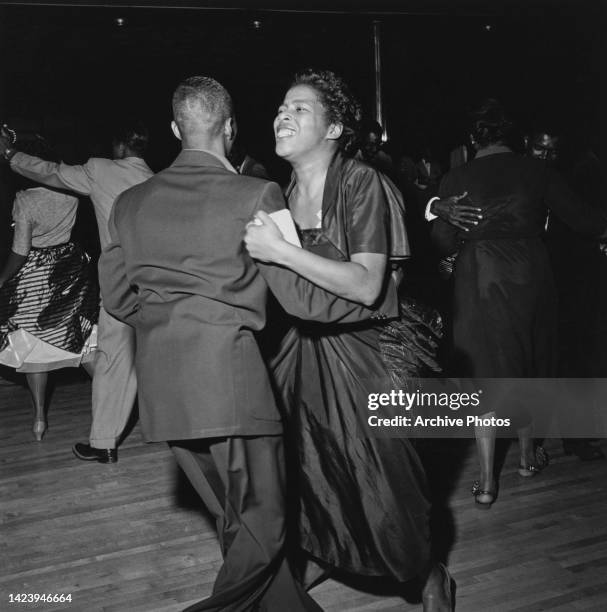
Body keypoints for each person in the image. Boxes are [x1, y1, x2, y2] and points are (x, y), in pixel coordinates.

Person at [97, 76, 321, 612]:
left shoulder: (129, 202)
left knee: (234, 521)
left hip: (164, 386)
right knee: (264, 524)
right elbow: (297, 296)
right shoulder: (257, 193)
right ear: (232, 127)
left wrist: (164, 324)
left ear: (176, 129)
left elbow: (115, 297)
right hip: (231, 381)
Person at [244, 69, 453, 611]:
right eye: (281, 106)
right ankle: (326, 551)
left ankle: (426, 573)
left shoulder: (362, 183)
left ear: (334, 128)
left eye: (300, 108)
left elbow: (366, 284)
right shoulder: (282, 192)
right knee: (316, 467)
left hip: (373, 349)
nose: (282, 115)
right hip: (305, 349)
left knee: (390, 476)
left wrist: (281, 251)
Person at [429, 100, 607, 507]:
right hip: (530, 273)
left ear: (474, 138)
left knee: (485, 371)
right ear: (512, 137)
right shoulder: (537, 170)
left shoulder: (457, 175)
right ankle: (528, 459)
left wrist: (449, 221)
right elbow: (584, 219)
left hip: (479, 277)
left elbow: (440, 242)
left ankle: (487, 483)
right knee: (529, 360)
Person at [0, 122, 153, 463]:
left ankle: (103, 443)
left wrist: (9, 153)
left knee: (112, 358)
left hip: (115, 283)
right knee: (133, 356)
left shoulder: (99, 170)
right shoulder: (156, 179)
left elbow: (52, 172)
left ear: (119, 146)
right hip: (152, 282)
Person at [0, 134, 98, 440]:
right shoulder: (69, 193)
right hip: (70, 267)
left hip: (37, 275)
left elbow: (20, 250)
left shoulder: (25, 200)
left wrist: (2, 279)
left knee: (34, 349)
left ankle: (40, 420)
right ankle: (113, 408)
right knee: (85, 343)